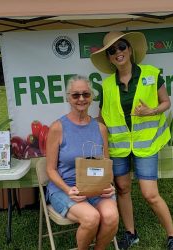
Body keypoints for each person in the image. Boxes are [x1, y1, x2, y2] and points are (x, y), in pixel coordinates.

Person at [90, 31, 173, 250]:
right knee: (122, 189)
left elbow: (166, 102)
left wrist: (152, 111)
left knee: (150, 194)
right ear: (109, 58)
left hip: (147, 142)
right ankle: (131, 233)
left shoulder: (151, 74)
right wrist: (82, 123)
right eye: (112, 51)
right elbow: (103, 117)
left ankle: (172, 236)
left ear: (130, 49)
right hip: (119, 146)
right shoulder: (107, 86)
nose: (118, 53)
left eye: (121, 47)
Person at [46, 75, 119, 250]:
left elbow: (106, 163)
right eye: (76, 95)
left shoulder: (100, 128)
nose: (81, 99)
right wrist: (68, 190)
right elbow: (50, 169)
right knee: (91, 218)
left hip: (96, 187)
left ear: (91, 97)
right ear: (68, 98)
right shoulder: (57, 127)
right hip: (66, 188)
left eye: (86, 94)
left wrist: (108, 183)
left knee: (111, 218)